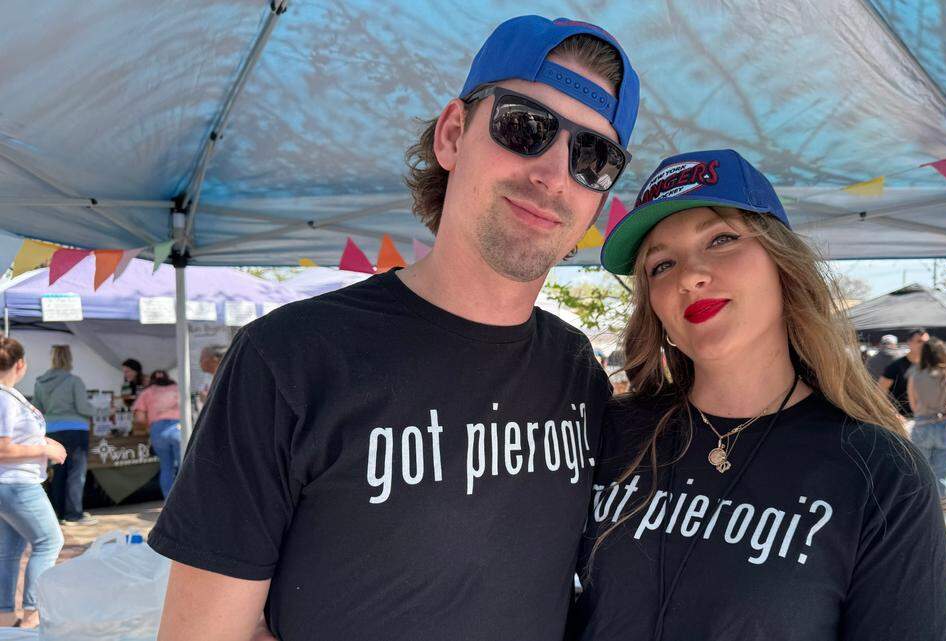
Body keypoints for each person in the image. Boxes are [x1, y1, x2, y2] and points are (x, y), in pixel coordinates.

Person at [149, 15, 639, 641]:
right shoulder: (291, 358)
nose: (552, 174)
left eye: (592, 156)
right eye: (525, 127)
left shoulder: (575, 370)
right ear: (454, 134)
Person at [569, 149, 946, 640]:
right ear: (657, 311)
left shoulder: (879, 474)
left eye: (722, 239)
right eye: (661, 265)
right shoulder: (608, 435)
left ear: (783, 267)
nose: (690, 275)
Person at [0, 338, 66, 629]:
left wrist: (41, 442)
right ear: (20, 364)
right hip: (16, 484)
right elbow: (2, 449)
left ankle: (5, 618)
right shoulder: (3, 397)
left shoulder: (8, 395)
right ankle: (32, 616)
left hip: (12, 483)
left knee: (10, 550)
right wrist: (44, 449)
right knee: (49, 541)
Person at [907, 337, 946, 536]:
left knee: (922, 477)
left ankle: (922, 522)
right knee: (944, 478)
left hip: (923, 426)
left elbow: (913, 405)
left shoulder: (915, 374)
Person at [32, 345, 95, 526]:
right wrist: (103, 410)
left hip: (52, 431)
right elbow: (83, 408)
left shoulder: (40, 382)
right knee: (76, 473)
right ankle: (74, 514)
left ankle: (57, 515)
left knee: (57, 473)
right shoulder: (74, 381)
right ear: (70, 359)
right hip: (76, 430)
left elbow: (37, 410)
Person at [133, 370, 182, 498]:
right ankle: (186, 501)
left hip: (158, 430)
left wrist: (149, 426)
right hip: (178, 427)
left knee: (166, 467)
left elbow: (139, 418)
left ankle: (169, 502)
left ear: (152, 380)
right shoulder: (178, 388)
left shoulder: (146, 392)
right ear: (168, 378)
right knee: (184, 466)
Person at [878, 328, 929, 418]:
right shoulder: (896, 366)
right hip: (905, 419)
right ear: (909, 343)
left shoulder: (932, 365)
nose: (924, 345)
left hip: (929, 418)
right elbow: (880, 392)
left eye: (926, 342)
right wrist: (893, 413)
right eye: (919, 341)